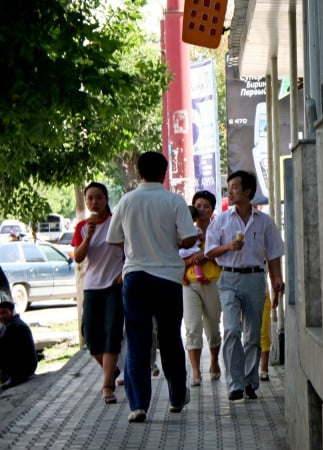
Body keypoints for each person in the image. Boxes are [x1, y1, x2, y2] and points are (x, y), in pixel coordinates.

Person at [106, 151, 199, 423]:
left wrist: (137, 242)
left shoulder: (126, 201)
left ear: (138, 171)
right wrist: (171, 242)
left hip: (135, 277)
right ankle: (177, 396)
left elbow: (114, 240)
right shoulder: (174, 200)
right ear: (165, 172)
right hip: (168, 278)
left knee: (138, 340)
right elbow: (189, 238)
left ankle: (138, 406)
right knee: (170, 337)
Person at [205, 170, 284, 401]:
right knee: (231, 330)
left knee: (252, 333)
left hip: (255, 278)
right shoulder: (221, 220)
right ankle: (234, 384)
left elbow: (275, 253)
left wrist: (276, 278)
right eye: (229, 187)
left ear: (248, 191)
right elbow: (209, 250)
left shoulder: (264, 221)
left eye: (235, 187)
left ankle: (250, 382)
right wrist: (228, 247)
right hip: (228, 278)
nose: (230, 190)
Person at [72, 182, 125, 405]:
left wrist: (124, 273)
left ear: (106, 199)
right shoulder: (83, 226)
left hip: (114, 285)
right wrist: (88, 236)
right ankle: (110, 370)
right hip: (92, 286)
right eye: (90, 198)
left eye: (99, 197)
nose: (95, 202)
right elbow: (78, 257)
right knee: (91, 336)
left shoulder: (118, 223)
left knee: (111, 333)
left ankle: (107, 386)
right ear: (86, 202)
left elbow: (131, 250)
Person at [181, 190, 223, 387]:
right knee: (192, 327)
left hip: (214, 281)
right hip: (189, 284)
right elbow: (177, 254)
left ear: (212, 209)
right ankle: (195, 371)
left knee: (213, 326)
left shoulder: (219, 230)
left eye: (206, 206)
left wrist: (206, 255)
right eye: (198, 206)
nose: (202, 210)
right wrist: (190, 260)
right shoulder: (186, 231)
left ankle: (214, 361)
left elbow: (226, 257)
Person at [180, 206, 209, 285]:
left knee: (184, 265)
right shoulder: (196, 229)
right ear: (195, 219)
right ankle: (199, 275)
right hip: (193, 250)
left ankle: (184, 277)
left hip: (182, 251)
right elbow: (202, 237)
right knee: (197, 261)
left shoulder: (180, 229)